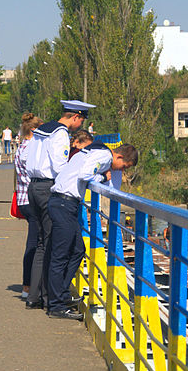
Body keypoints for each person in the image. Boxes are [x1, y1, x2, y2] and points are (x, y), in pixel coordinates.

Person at [46, 142, 139, 319]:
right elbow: (85, 175)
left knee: (77, 250)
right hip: (63, 202)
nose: (122, 170)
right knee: (60, 255)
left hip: (66, 203)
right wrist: (103, 178)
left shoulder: (96, 152)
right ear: (118, 157)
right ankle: (55, 306)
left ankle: (61, 294)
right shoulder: (104, 157)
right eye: (124, 167)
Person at [24, 100, 93, 311]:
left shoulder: (41, 130)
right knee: (53, 244)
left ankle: (34, 296)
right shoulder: (60, 133)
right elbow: (59, 166)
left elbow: (28, 160)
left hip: (33, 187)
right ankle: (51, 298)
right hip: (48, 189)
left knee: (41, 243)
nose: (80, 126)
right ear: (75, 117)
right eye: (81, 120)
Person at [13, 113, 44, 299]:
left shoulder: (22, 146)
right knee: (34, 244)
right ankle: (28, 286)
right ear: (34, 130)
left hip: (24, 198)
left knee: (33, 241)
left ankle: (29, 285)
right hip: (31, 200)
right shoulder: (32, 148)